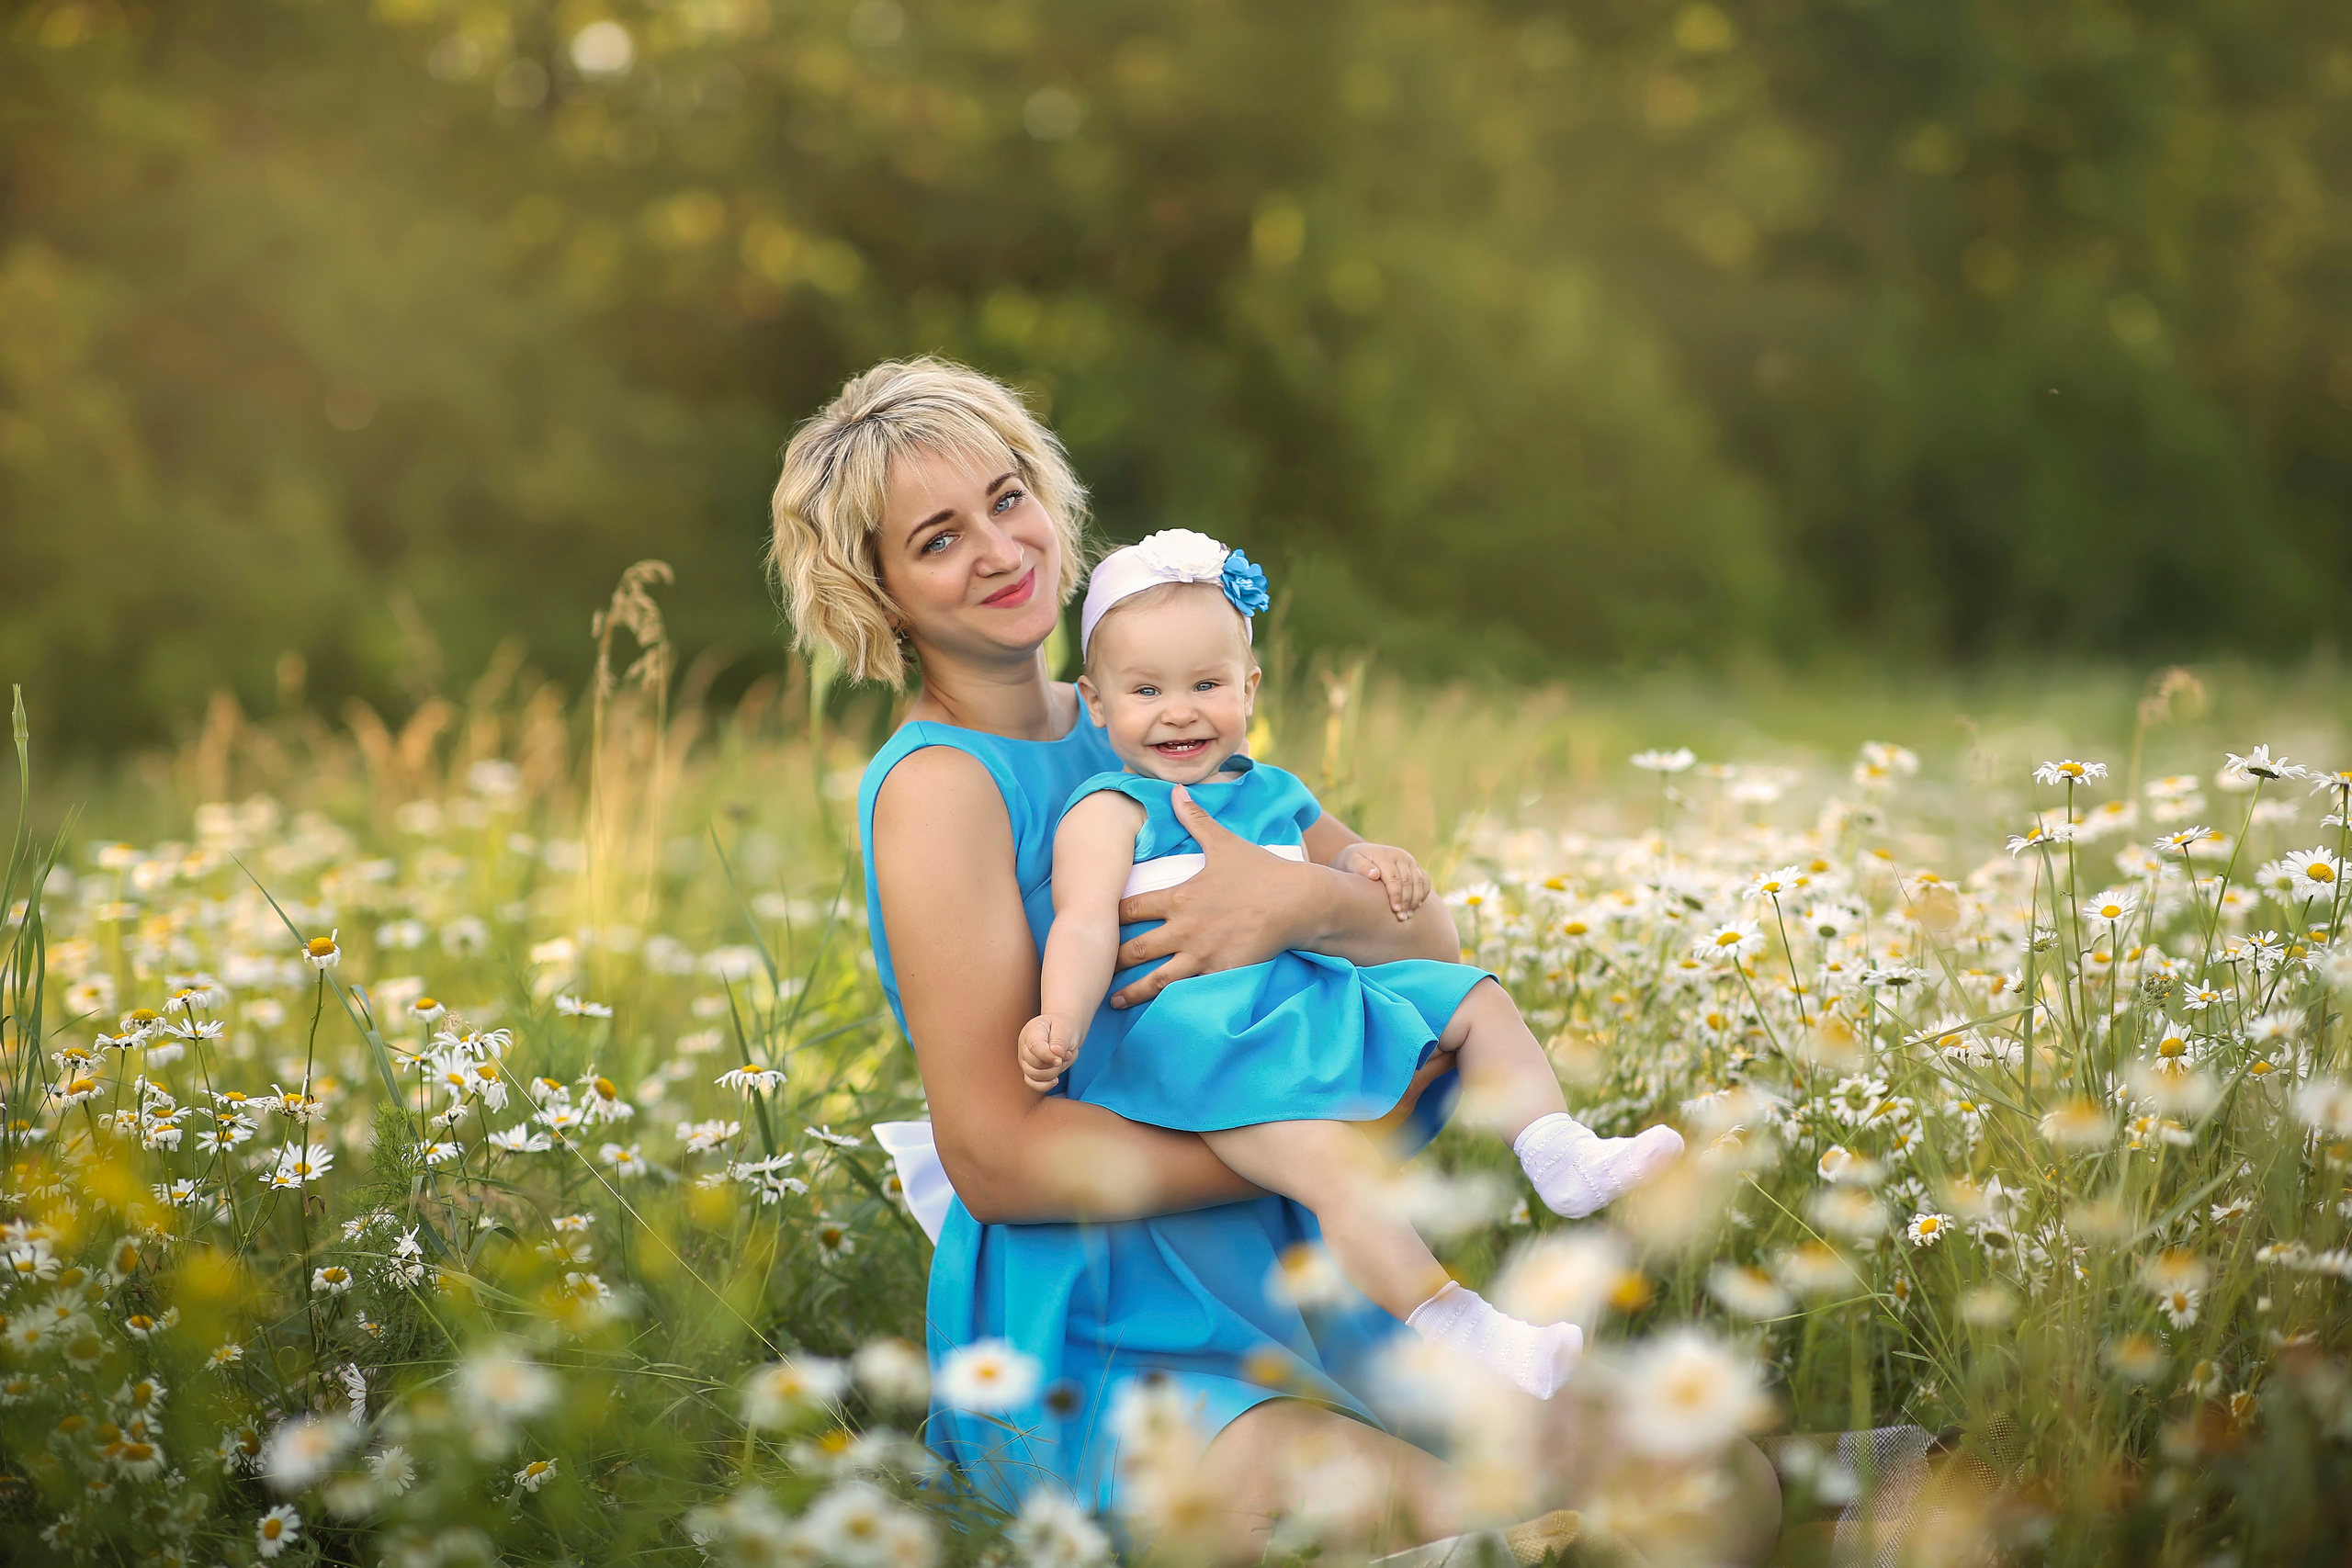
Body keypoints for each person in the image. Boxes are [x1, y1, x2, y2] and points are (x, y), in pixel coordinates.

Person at [769, 357, 1779, 1562]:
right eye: (938, 537)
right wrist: (1319, 1148)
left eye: (1007, 497)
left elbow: (1427, 938)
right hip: (1103, 1326)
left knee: (1718, 1474)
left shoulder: (1142, 706)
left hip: (1300, 1274)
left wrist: (1292, 904)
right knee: (1475, 1520)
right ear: (876, 593)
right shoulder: (941, 789)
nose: (998, 547)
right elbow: (995, 1156)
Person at [1014, 529, 1681, 1397]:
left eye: (1207, 685)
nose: (1180, 711)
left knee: (1477, 997)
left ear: (1249, 688)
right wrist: (1059, 1017)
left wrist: (1380, 859)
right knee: (1337, 1170)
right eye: (1146, 691)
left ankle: (1558, 1150)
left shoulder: (1275, 790)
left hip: (1308, 994)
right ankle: (1465, 1327)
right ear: (1097, 705)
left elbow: (1345, 860)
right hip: (1205, 1046)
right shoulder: (1109, 810)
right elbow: (1082, 926)